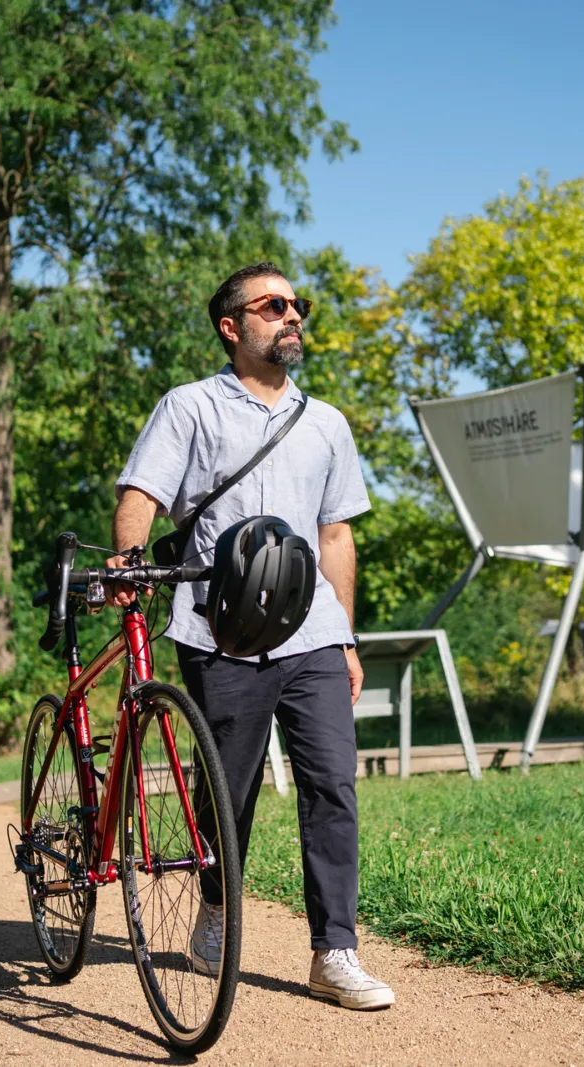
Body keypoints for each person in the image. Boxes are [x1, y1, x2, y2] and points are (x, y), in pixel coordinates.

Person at [107, 262, 395, 1011]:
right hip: (219, 628)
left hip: (313, 631)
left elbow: (336, 535)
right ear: (232, 326)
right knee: (227, 790)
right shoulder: (190, 407)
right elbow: (142, 493)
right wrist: (129, 558)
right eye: (273, 306)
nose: (292, 315)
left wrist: (347, 636)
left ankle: (334, 951)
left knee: (331, 782)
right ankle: (214, 903)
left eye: (298, 305)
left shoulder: (326, 422)